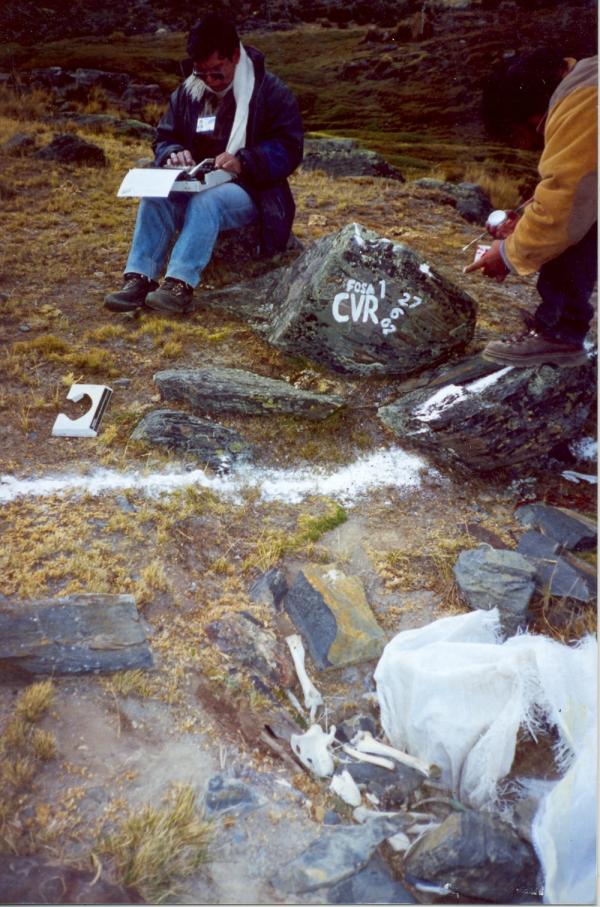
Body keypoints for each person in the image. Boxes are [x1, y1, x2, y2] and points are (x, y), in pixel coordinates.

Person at [105, 13, 303, 315]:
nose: (209, 82)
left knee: (206, 203)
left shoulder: (270, 92)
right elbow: (165, 136)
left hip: (253, 189)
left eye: (217, 73)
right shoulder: (187, 92)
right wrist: (172, 152)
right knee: (154, 197)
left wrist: (244, 161)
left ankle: (179, 285)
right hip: (195, 179)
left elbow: (289, 148)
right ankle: (139, 279)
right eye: (201, 73)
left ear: (235, 56)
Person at [465, 49, 597, 367]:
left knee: (571, 229)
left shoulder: (581, 103)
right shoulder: (586, 78)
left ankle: (558, 334)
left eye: (516, 134)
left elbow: (565, 205)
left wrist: (508, 255)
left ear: (529, 115)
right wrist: (526, 221)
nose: (524, 145)